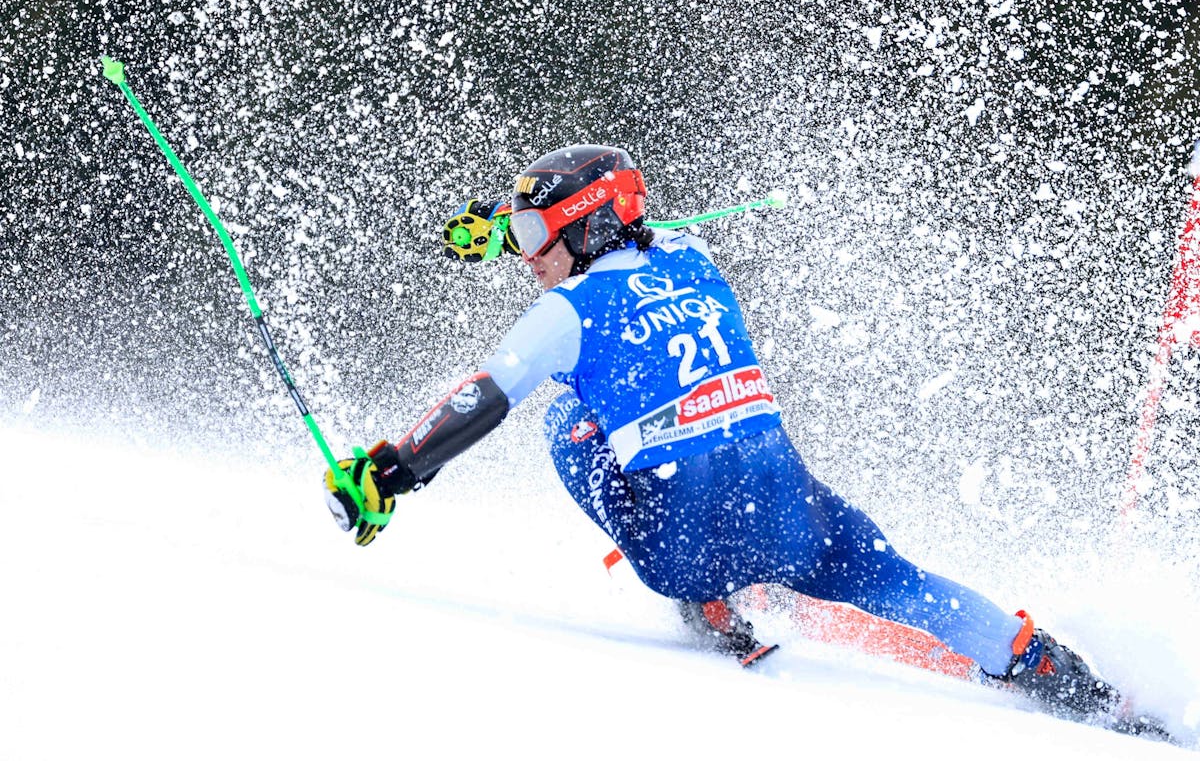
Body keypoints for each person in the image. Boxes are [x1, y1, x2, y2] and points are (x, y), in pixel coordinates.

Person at [324, 144, 1125, 723]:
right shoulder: (696, 253)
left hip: (680, 543)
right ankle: (1044, 664)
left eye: (536, 238)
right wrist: (501, 227)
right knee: (902, 581)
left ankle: (708, 600)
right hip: (785, 514)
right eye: (520, 237)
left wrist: (390, 471)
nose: (526, 255)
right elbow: (623, 238)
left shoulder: (561, 315)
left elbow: (484, 397)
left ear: (583, 228)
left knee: (570, 418)